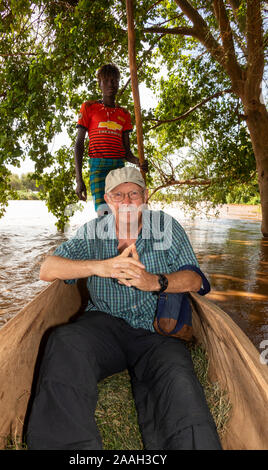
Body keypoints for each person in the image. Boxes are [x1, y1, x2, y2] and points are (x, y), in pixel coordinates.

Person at [26, 167, 222, 450]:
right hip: (103, 324)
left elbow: (196, 280)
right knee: (65, 342)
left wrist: (154, 282)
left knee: (178, 381)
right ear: (107, 200)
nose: (127, 201)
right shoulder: (92, 232)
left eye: (133, 193)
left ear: (145, 197)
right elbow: (46, 269)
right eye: (118, 195)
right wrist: (100, 267)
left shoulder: (167, 226)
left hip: (155, 330)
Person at [74, 63, 148, 214]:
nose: (110, 84)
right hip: (98, 167)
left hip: (118, 168)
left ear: (118, 83)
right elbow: (79, 144)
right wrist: (78, 179)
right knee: (103, 214)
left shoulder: (124, 114)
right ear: (99, 84)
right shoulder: (89, 107)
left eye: (114, 81)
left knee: (120, 214)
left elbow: (127, 153)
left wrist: (139, 162)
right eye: (106, 81)